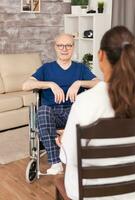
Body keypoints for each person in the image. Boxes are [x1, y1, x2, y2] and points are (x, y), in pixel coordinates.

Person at [60, 26, 135, 199]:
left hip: (91, 193)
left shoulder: (86, 101)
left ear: (101, 55)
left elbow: (69, 158)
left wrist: (63, 141)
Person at [22, 33, 99, 175]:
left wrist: (79, 82)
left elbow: (99, 83)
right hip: (51, 114)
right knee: (43, 111)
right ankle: (56, 162)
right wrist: (50, 84)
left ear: (73, 47)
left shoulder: (80, 68)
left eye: (68, 45)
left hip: (73, 112)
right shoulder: (46, 68)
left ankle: (64, 137)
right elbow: (26, 85)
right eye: (60, 45)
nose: (64, 49)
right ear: (55, 47)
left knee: (89, 112)